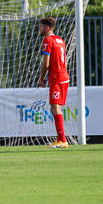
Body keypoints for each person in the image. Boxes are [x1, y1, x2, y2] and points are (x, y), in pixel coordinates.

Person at [37, 16, 70, 149]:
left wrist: (42, 78)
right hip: (64, 76)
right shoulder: (60, 40)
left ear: (47, 27)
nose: (39, 28)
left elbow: (46, 63)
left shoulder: (48, 40)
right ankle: (60, 138)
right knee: (55, 108)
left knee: (55, 108)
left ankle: (62, 140)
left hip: (56, 77)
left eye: (41, 26)